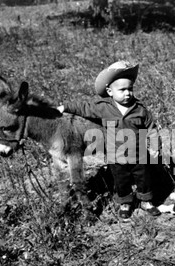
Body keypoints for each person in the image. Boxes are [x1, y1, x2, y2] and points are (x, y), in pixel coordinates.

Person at [57, 60, 161, 219]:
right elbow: (84, 107)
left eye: (130, 89)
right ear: (110, 91)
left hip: (138, 152)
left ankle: (146, 201)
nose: (127, 93)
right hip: (115, 153)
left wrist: (155, 145)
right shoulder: (103, 107)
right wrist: (65, 107)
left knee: (143, 176)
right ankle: (125, 202)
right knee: (121, 179)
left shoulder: (139, 109)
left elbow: (151, 128)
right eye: (122, 90)